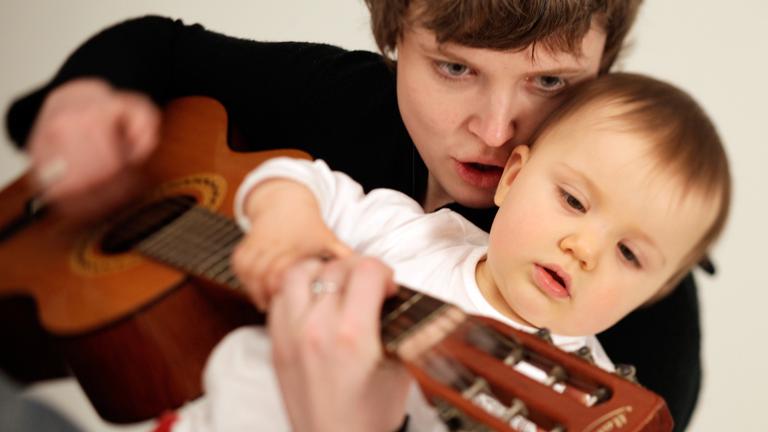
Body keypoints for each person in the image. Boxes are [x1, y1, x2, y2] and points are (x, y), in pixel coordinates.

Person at [3, 1, 704, 428]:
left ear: (605, 69)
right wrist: (78, 104)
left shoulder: (624, 305)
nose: (495, 130)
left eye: (550, 81)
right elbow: (157, 47)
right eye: (454, 68)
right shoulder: (345, 99)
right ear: (395, 35)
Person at [165, 73, 730, 431]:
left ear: (654, 294)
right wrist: (286, 221)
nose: (583, 248)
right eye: (574, 201)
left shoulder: (587, 405)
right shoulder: (418, 234)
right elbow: (299, 177)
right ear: (512, 177)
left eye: (629, 254)